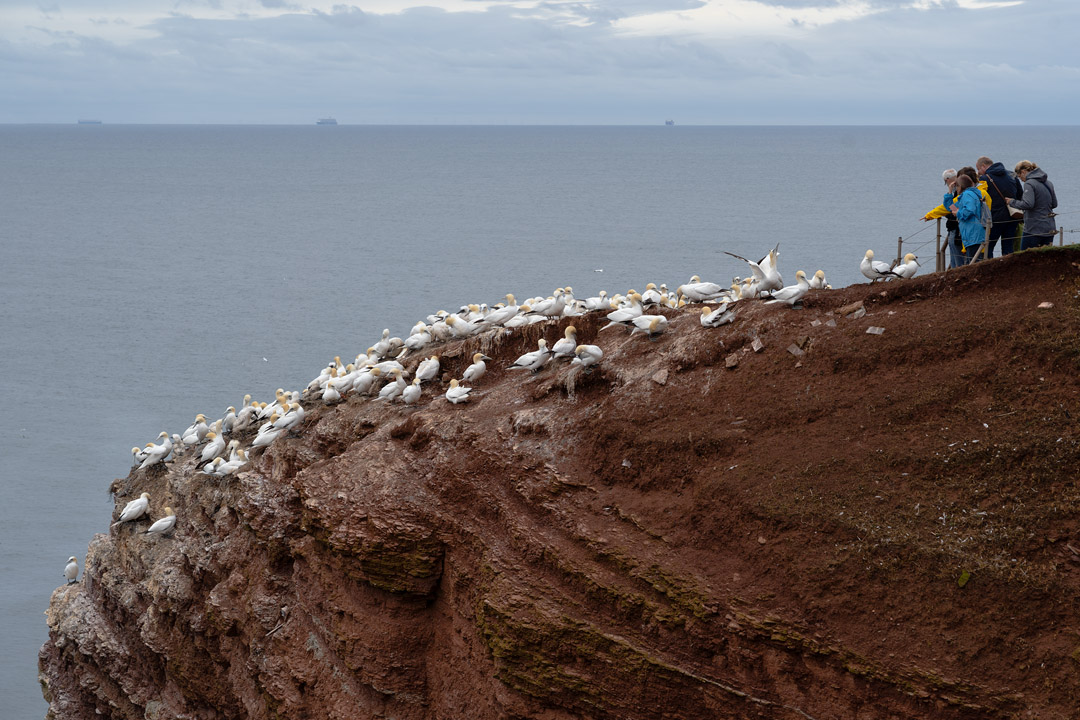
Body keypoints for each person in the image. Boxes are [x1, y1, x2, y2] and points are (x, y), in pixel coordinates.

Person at [977, 156, 1023, 256]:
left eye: (978, 169)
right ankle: (1007, 270)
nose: (979, 172)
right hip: (1012, 216)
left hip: (994, 218)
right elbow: (1020, 195)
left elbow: (981, 199)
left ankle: (990, 270)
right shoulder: (1012, 175)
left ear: (983, 166)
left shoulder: (984, 178)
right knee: (1008, 247)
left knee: (988, 247)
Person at [1008, 160, 1058, 250]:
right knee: (1045, 258)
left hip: (1033, 228)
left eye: (1020, 177)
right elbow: (1054, 204)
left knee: (1025, 258)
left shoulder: (1029, 183)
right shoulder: (1048, 183)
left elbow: (1028, 204)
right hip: (1049, 227)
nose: (1021, 180)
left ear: (1023, 172)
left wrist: (1012, 202)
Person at [923, 169, 963, 268]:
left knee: (957, 257)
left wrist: (947, 213)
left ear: (948, 179)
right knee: (955, 256)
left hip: (956, 227)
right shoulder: (960, 188)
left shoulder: (958, 190)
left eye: (946, 181)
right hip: (956, 227)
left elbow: (950, 207)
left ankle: (956, 274)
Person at [950, 175, 985, 263]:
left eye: (956, 186)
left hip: (973, 235)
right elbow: (951, 207)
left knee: (974, 264)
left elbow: (969, 210)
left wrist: (958, 213)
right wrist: (949, 193)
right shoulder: (967, 195)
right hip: (971, 235)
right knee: (972, 262)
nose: (956, 189)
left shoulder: (967, 194)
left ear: (960, 186)